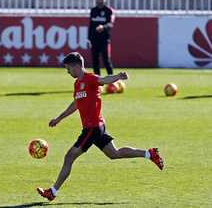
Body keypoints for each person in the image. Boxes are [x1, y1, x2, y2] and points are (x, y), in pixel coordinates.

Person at [37, 52, 164, 201]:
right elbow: (76, 103)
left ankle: (52, 191)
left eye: (68, 69)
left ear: (77, 67)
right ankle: (150, 154)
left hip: (93, 128)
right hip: (97, 125)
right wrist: (59, 117)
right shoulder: (77, 83)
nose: (68, 72)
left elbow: (104, 79)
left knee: (69, 157)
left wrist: (117, 77)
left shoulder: (91, 79)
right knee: (114, 154)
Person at [87, 0, 114, 76]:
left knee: (106, 60)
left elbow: (111, 23)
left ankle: (111, 81)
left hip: (104, 40)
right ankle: (97, 83)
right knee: (95, 62)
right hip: (94, 40)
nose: (100, 1)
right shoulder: (93, 10)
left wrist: (103, 27)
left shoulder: (109, 10)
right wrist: (89, 39)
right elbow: (91, 25)